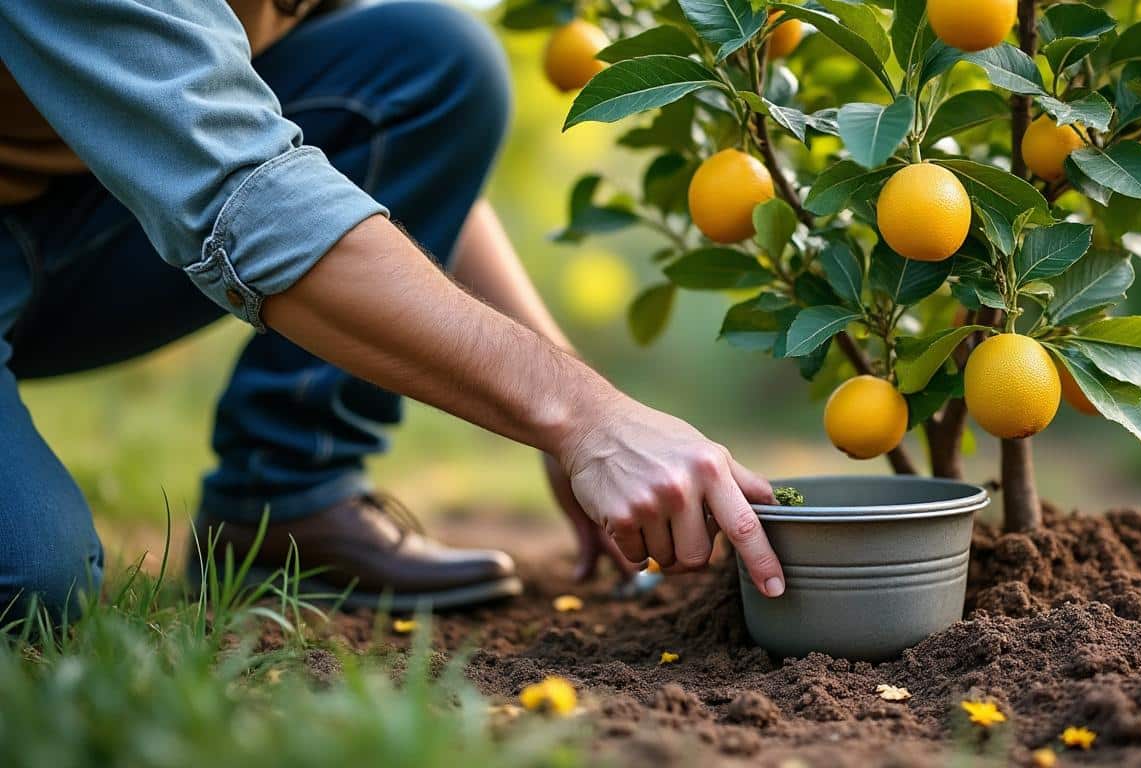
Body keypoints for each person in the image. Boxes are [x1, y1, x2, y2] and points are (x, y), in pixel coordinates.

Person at [0, 0, 785, 620]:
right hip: (138, 189)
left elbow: (369, 171)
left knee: (438, 61)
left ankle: (285, 507)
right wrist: (584, 418)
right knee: (33, 584)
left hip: (90, 212)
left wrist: (577, 400)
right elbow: (248, 197)